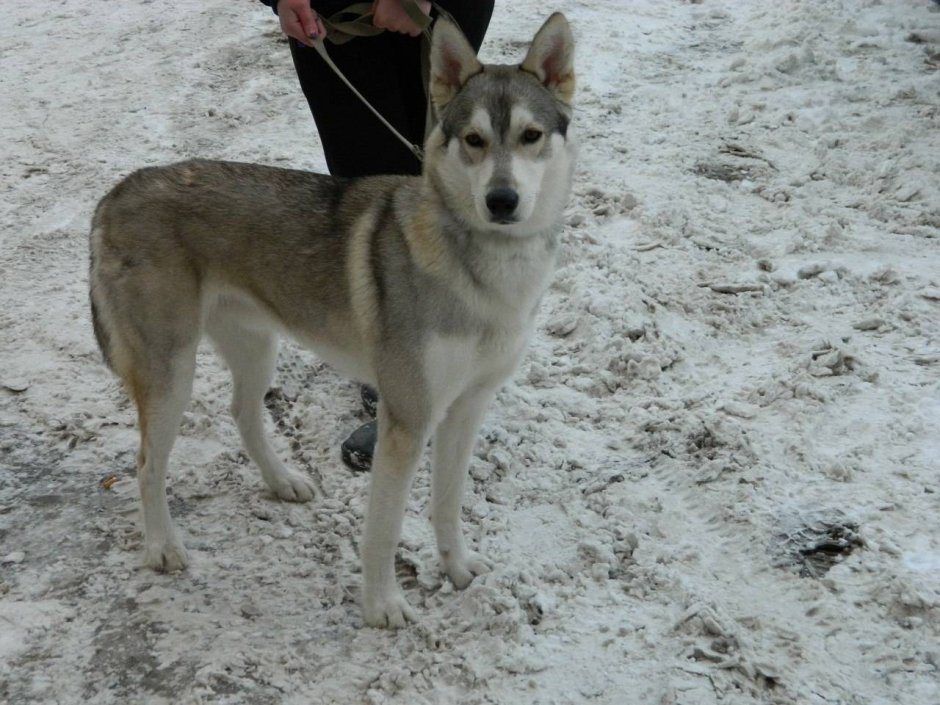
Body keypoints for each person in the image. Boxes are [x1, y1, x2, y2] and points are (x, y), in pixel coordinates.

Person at [260, 0, 495, 469]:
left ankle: (432, 376)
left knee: (444, 171)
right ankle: (403, 361)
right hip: (330, 16)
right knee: (366, 189)